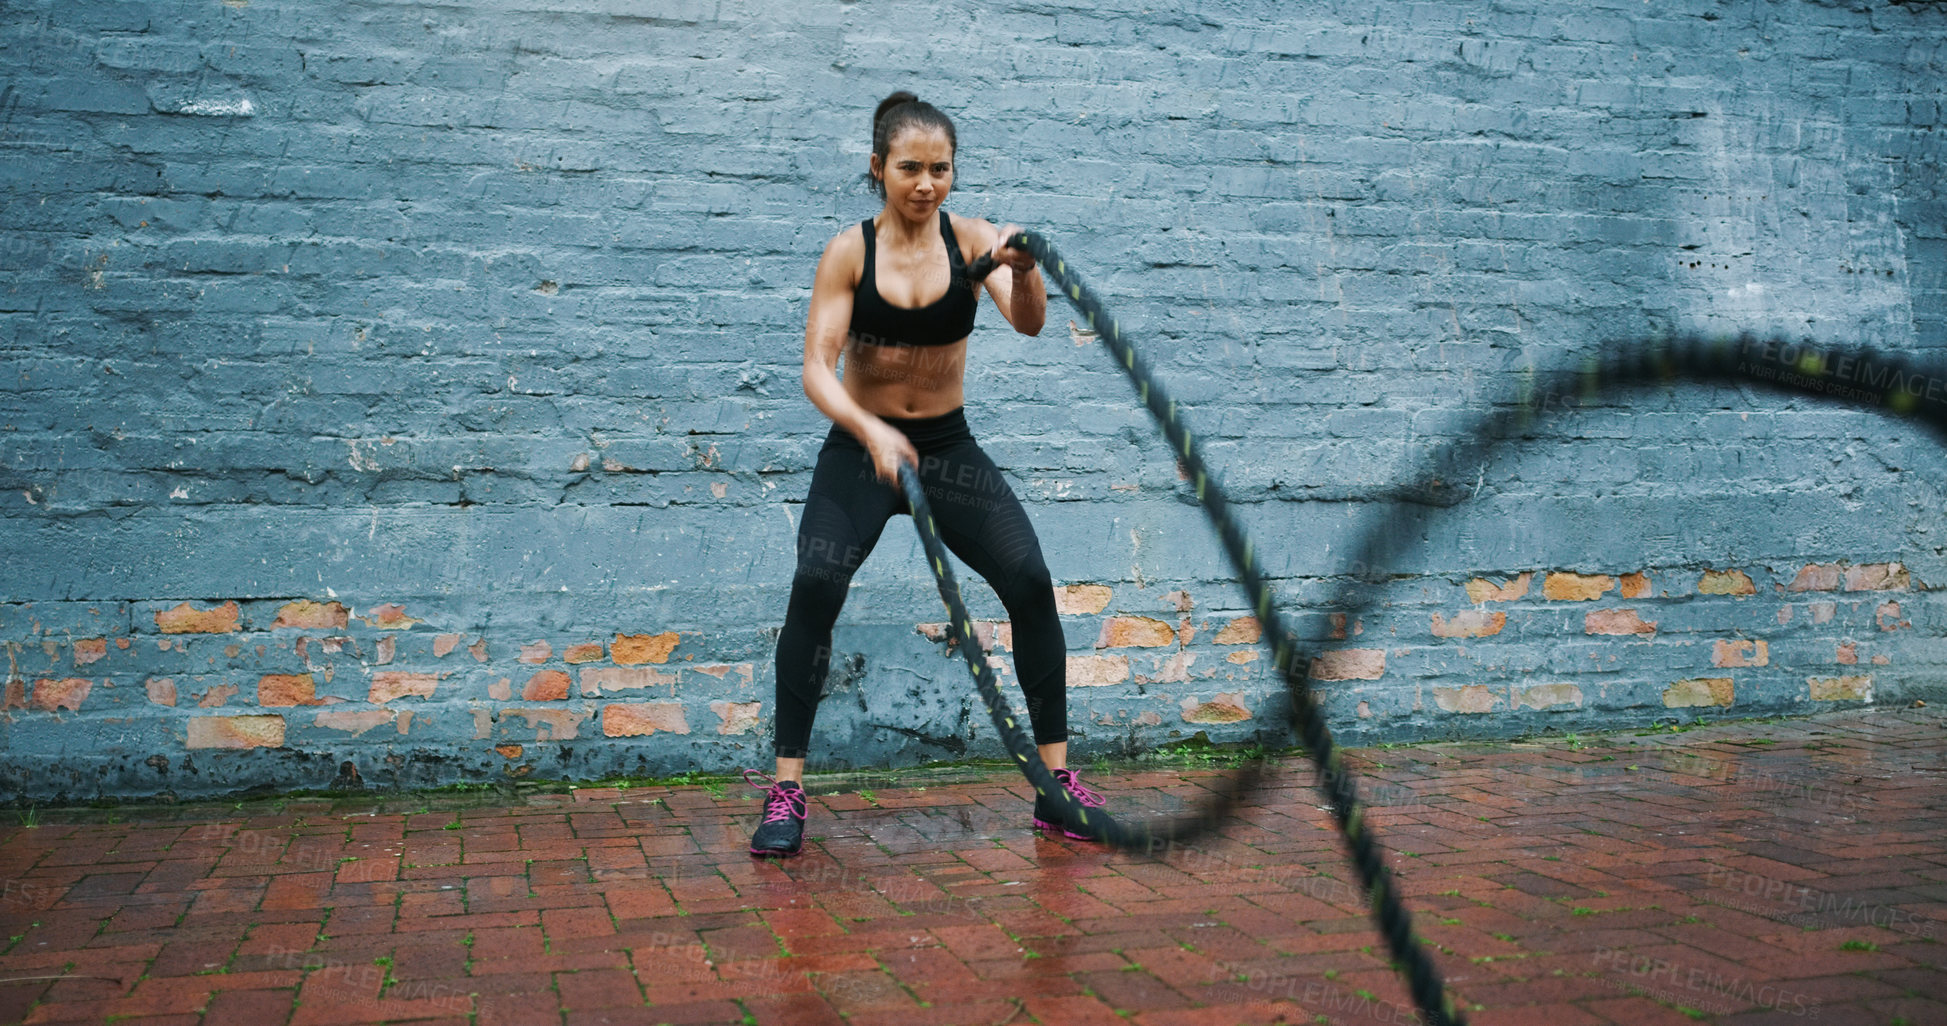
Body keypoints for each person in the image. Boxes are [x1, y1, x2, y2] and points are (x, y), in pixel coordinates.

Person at [745, 91, 1107, 857]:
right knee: (815, 581)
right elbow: (816, 367)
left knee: (1029, 580)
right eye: (909, 167)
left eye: (940, 169)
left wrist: (1026, 267)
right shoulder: (850, 251)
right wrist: (869, 428)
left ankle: (1055, 788)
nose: (925, 183)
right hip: (861, 452)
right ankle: (786, 789)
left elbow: (1031, 320)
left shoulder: (972, 240)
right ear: (877, 168)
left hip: (946, 450)